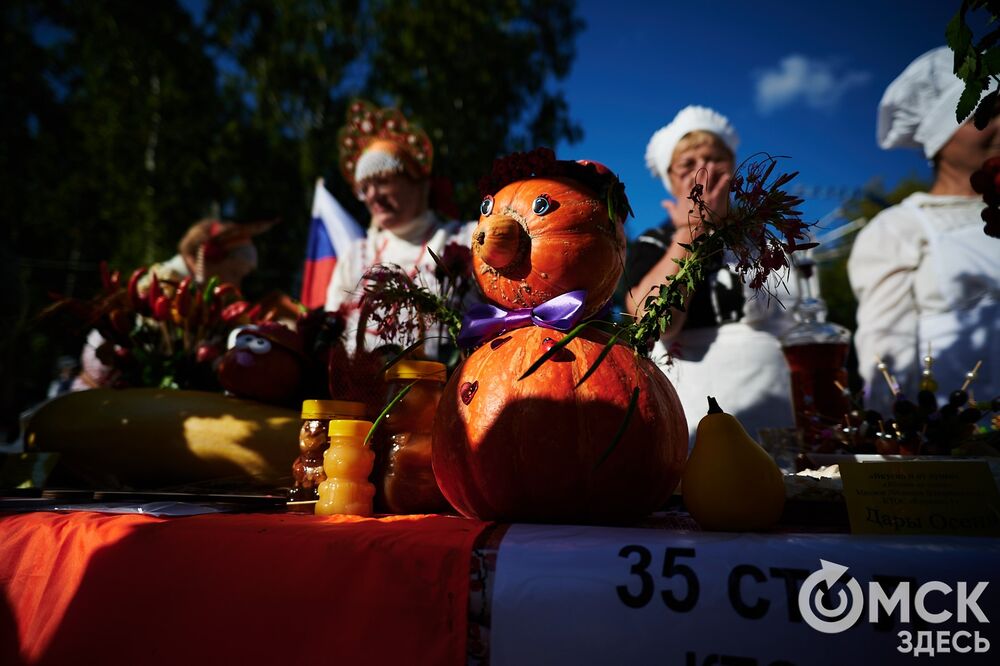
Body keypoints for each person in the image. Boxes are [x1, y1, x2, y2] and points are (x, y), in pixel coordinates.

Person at [626, 105, 797, 443]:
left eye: (714, 158)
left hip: (776, 407)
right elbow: (651, 321)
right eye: (687, 164)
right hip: (694, 409)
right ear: (671, 181)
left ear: (733, 169)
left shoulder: (771, 243)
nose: (703, 170)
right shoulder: (653, 243)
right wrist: (690, 233)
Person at [848, 46, 1000, 415]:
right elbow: (887, 357)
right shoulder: (900, 228)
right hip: (967, 453)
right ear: (938, 137)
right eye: (985, 114)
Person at [324, 100, 476, 355]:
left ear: (419, 182)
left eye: (382, 180)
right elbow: (329, 332)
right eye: (364, 189)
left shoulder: (464, 239)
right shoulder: (356, 255)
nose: (372, 195)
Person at [71, 218, 273, 390]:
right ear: (210, 257)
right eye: (234, 273)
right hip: (101, 391)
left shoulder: (198, 291)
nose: (235, 283)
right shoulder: (166, 281)